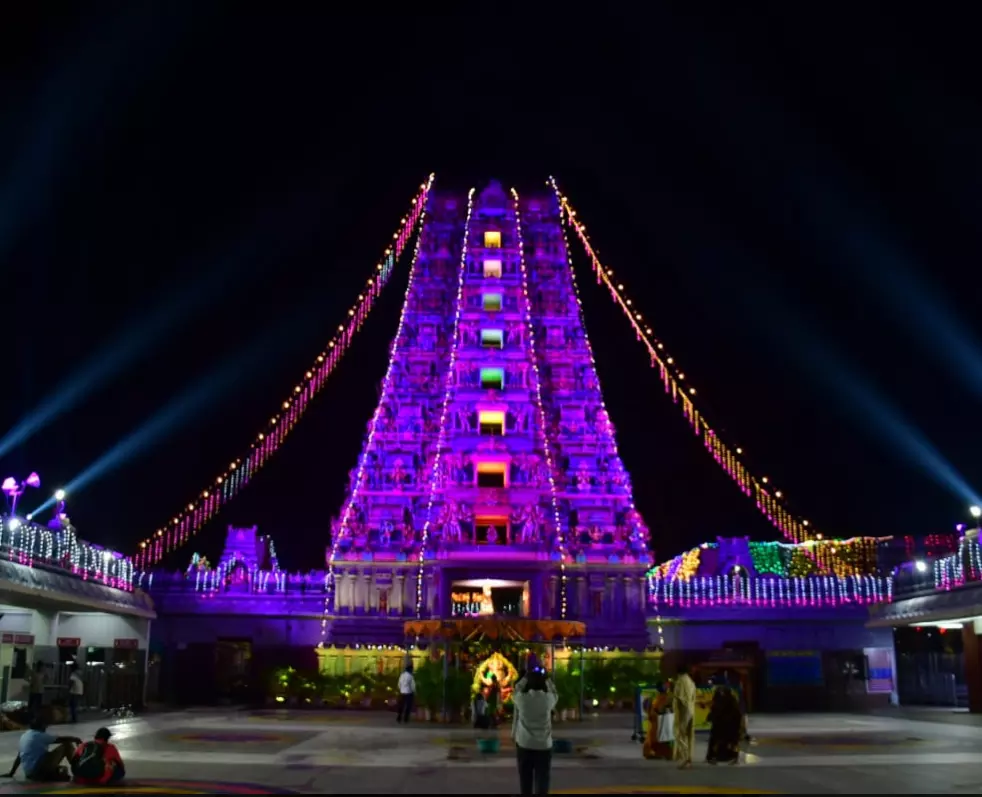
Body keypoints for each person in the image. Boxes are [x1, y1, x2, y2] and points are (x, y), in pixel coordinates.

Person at [511, 668, 557, 795]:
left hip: (524, 745)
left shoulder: (522, 699)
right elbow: (554, 692)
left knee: (525, 780)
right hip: (544, 746)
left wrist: (525, 678)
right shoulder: (548, 700)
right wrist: (548, 679)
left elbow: (515, 691)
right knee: (543, 780)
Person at [3, 717, 81, 782]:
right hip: (38, 770)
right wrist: (75, 739)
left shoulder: (25, 735)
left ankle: (53, 775)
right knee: (67, 745)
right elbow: (61, 739)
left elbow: (19, 756)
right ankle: (79, 771)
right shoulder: (40, 735)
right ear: (42, 726)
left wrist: (11, 773)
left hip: (29, 773)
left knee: (63, 769)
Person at [706, 686, 742, 765]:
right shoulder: (732, 700)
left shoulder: (723, 701)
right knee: (732, 741)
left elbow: (716, 711)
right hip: (729, 726)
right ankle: (734, 757)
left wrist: (711, 717)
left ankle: (712, 756)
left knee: (716, 740)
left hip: (726, 725)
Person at [672, 664, 697, 770]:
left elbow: (678, 697)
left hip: (684, 711)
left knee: (680, 734)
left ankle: (685, 758)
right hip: (692, 710)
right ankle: (689, 758)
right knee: (690, 735)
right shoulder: (691, 682)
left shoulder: (680, 681)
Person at [642, 685, 673, 760]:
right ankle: (665, 753)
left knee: (653, 736)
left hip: (655, 720)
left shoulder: (657, 697)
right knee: (658, 737)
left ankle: (651, 752)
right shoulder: (663, 698)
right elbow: (660, 709)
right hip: (658, 720)